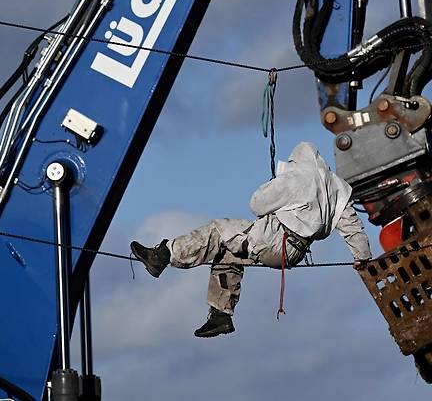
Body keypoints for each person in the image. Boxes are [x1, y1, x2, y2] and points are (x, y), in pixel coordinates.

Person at [130, 142, 372, 338]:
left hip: (273, 239)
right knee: (228, 251)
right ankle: (221, 314)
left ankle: (162, 255)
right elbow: (354, 229)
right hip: (293, 253)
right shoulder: (337, 189)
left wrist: (274, 187)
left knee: (218, 231)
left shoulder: (297, 178)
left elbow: (256, 204)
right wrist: (363, 258)